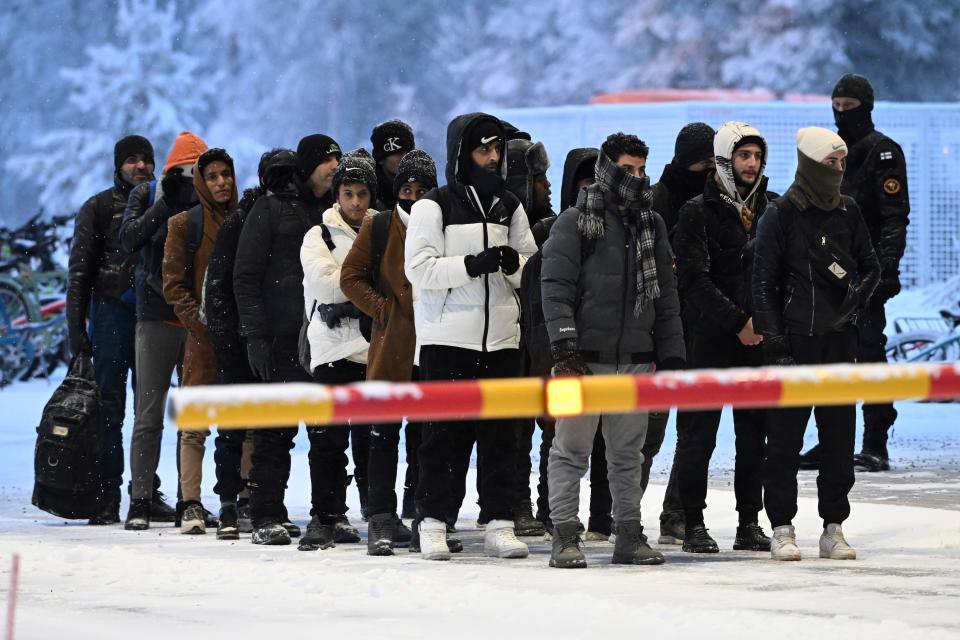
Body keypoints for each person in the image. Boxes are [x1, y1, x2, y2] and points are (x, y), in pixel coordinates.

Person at [542, 132, 685, 568]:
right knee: (570, 451)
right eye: (628, 169)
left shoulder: (651, 223)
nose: (637, 178)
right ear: (607, 168)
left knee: (629, 455)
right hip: (580, 360)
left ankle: (628, 533)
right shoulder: (575, 221)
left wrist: (672, 354)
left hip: (636, 360)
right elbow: (556, 287)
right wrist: (565, 346)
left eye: (642, 170)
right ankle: (565, 534)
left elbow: (665, 295)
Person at [405, 113, 537, 561]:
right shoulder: (433, 206)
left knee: (503, 437)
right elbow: (418, 270)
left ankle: (499, 522)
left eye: (497, 149)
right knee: (443, 438)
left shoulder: (511, 205)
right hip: (447, 340)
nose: (493, 157)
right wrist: (472, 264)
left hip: (501, 339)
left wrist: (510, 264)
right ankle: (434, 522)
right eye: (484, 149)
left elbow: (531, 270)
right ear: (463, 153)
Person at [753, 127, 879, 561]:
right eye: (831, 163)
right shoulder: (782, 214)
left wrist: (855, 306)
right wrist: (775, 343)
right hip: (795, 345)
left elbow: (871, 267)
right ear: (809, 164)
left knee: (840, 439)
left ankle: (833, 527)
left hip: (839, 345)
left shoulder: (849, 211)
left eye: (842, 163)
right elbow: (763, 283)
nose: (839, 171)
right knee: (784, 441)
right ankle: (782, 527)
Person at [672, 121, 775, 554]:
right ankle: (692, 522)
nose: (751, 164)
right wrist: (738, 322)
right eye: (743, 155)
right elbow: (693, 281)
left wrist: (764, 326)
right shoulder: (696, 211)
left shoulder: (775, 208)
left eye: (756, 156)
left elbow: (781, 277)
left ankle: (749, 522)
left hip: (760, 344)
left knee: (754, 438)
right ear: (724, 160)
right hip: (709, 342)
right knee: (698, 437)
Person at [233, 133, 342, 545]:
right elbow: (245, 276)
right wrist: (254, 335)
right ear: (308, 165)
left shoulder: (334, 211)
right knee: (275, 431)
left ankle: (328, 514)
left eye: (337, 158)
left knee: (326, 433)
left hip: (325, 335)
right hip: (280, 336)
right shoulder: (272, 206)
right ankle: (265, 514)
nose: (334, 165)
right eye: (326, 160)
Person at [801, 74, 911, 473]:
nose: (841, 112)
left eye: (849, 105)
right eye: (837, 104)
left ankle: (875, 442)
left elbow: (894, 218)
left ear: (866, 106)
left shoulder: (882, 153)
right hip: (831, 274)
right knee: (831, 357)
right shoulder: (833, 153)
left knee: (869, 353)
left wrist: (884, 272)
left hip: (868, 272)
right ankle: (834, 441)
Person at [66, 134, 172, 525]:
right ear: (118, 165)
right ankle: (106, 493)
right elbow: (79, 273)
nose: (141, 166)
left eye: (146, 159)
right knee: (109, 409)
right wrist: (76, 328)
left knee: (150, 410)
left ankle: (145, 491)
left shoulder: (163, 202)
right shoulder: (96, 207)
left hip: (153, 315)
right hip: (111, 314)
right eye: (132, 159)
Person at [340, 149, 438, 555]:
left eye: (420, 189)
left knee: (425, 438)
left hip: (433, 344)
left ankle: (419, 515)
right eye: (406, 189)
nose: (412, 197)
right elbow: (350, 276)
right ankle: (381, 517)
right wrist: (382, 310)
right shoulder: (380, 225)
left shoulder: (442, 223)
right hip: (392, 346)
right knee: (382, 435)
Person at [120, 131, 208, 531]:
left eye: (195, 171)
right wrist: (169, 202)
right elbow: (130, 240)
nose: (189, 178)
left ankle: (189, 500)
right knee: (149, 413)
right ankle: (140, 499)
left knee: (190, 415)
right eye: (182, 171)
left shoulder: (209, 199)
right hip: (155, 315)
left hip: (194, 319)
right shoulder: (148, 194)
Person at [526, 147, 614, 540]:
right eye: (584, 184)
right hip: (560, 354)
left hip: (602, 349)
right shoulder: (552, 231)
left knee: (605, 440)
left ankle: (600, 518)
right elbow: (540, 300)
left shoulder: (618, 232)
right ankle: (553, 513)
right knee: (558, 436)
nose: (592, 191)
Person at [296, 151, 380, 551]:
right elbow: (324, 284)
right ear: (337, 196)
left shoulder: (385, 230)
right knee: (327, 441)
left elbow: (397, 282)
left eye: (363, 193)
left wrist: (349, 300)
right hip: (330, 351)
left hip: (372, 350)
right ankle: (324, 516)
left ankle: (378, 513)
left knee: (373, 441)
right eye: (348, 193)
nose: (356, 202)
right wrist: (365, 292)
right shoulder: (318, 235)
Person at [204, 149, 288, 537]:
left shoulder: (287, 215)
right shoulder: (242, 220)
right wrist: (227, 339)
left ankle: (256, 497)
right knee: (234, 427)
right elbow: (222, 283)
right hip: (239, 338)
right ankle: (227, 501)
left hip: (265, 336)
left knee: (265, 426)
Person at [161, 148, 238, 535]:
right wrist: (199, 323)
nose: (222, 182)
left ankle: (241, 500)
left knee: (244, 419)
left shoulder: (248, 218)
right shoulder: (183, 224)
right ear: (200, 182)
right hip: (203, 338)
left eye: (226, 174)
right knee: (194, 424)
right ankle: (190, 502)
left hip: (240, 338)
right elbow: (173, 285)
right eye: (212, 176)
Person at [649, 122, 716, 545]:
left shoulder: (713, 202)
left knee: (694, 435)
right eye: (701, 161)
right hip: (660, 328)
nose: (707, 170)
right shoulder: (658, 201)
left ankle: (676, 509)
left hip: (703, 326)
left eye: (713, 162)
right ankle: (623, 512)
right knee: (648, 429)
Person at [504, 137, 554, 537]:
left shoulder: (557, 226)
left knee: (554, 426)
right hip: (511, 333)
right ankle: (516, 502)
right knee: (515, 429)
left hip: (548, 335)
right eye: (539, 178)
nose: (547, 186)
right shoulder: (500, 222)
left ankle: (550, 503)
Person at [370, 119, 415, 211]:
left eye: (408, 153)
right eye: (397, 153)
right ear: (381, 159)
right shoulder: (366, 194)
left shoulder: (425, 187)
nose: (404, 158)